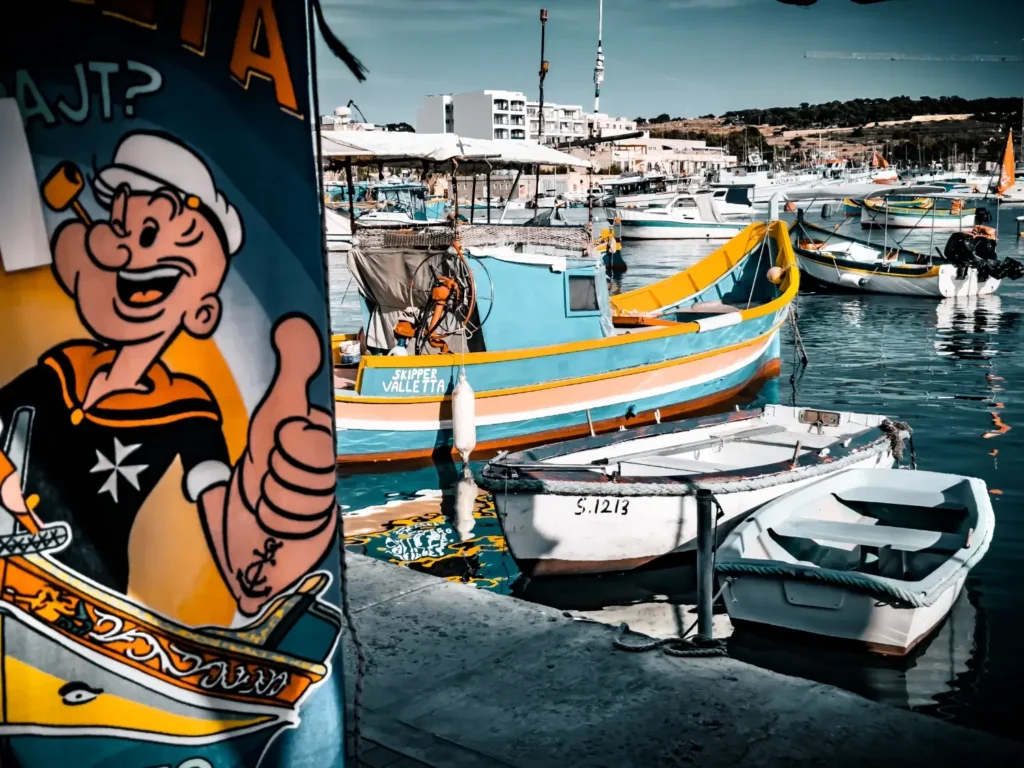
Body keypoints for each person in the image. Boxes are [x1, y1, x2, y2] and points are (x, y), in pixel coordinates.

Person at [0, 131, 336, 616]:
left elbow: (223, 523)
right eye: (120, 229)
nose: (130, 254)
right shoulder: (60, 369)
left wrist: (273, 543)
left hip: (94, 604)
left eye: (154, 235)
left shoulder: (188, 408)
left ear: (202, 312)